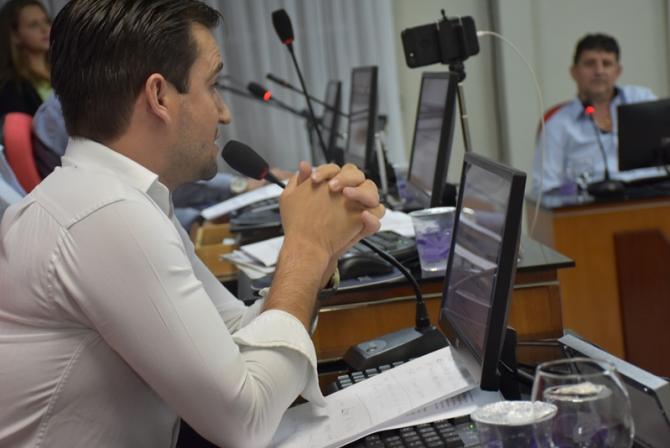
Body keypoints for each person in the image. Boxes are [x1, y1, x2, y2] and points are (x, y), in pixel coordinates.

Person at [0, 1, 384, 447]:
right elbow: (244, 422)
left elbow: (234, 333)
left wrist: (324, 248)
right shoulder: (106, 214)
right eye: (213, 86)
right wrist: (306, 249)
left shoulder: (116, 197)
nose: (225, 113)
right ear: (159, 96)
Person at [31, 93, 290, 229]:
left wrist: (238, 187)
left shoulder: (155, 202)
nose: (224, 114)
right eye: (209, 85)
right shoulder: (123, 216)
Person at [531, 33, 663, 195]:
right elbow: (543, 189)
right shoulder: (557, 124)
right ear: (574, 72)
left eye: (607, 64)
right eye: (590, 64)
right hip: (593, 205)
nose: (599, 71)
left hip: (653, 198)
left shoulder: (642, 100)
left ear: (617, 71)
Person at [0, 0, 51, 119]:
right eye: (34, 25)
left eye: (47, 21)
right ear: (15, 35)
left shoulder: (65, 69)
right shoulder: (12, 87)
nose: (45, 29)